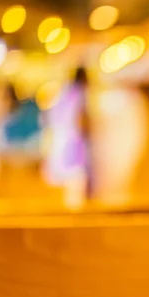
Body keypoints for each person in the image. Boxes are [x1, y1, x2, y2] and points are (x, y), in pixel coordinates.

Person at [43, 67, 93, 203]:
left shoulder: (62, 94)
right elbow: (81, 121)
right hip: (74, 150)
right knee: (75, 197)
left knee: (63, 196)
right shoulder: (81, 94)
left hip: (58, 148)